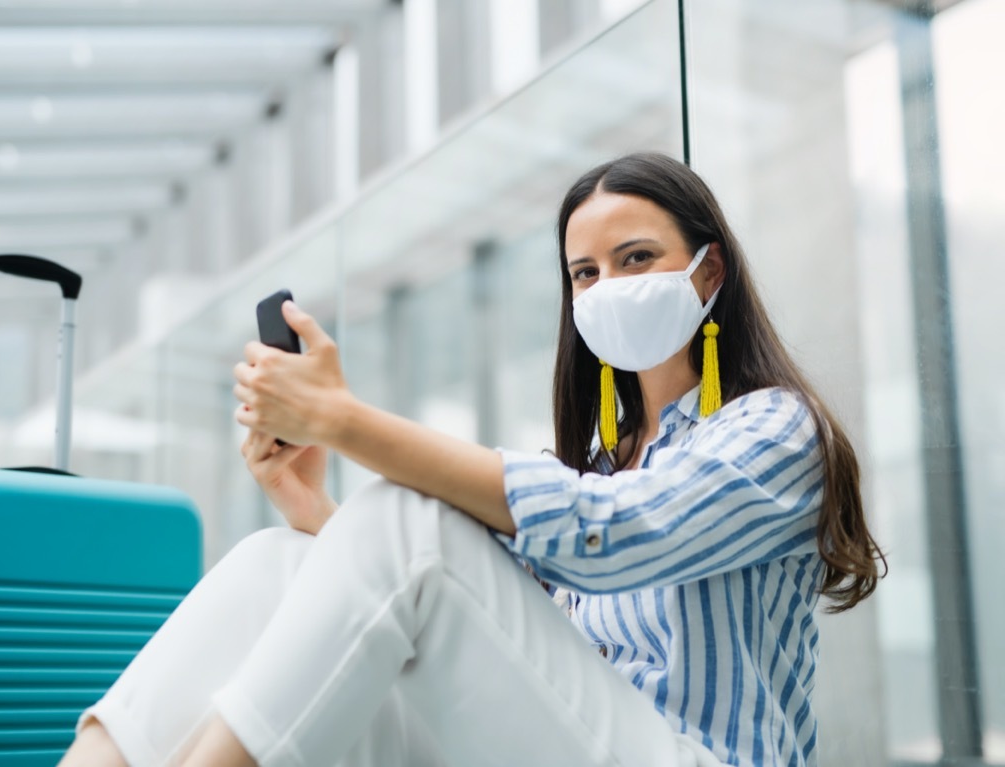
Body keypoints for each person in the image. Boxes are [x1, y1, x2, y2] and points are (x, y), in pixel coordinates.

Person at [59, 152, 884, 767]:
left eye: (636, 258)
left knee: (401, 514)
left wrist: (343, 420)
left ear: (710, 272)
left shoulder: (774, 430)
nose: (607, 287)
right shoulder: (600, 461)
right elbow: (445, 603)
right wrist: (310, 507)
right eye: (584, 274)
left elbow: (619, 533)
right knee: (276, 561)